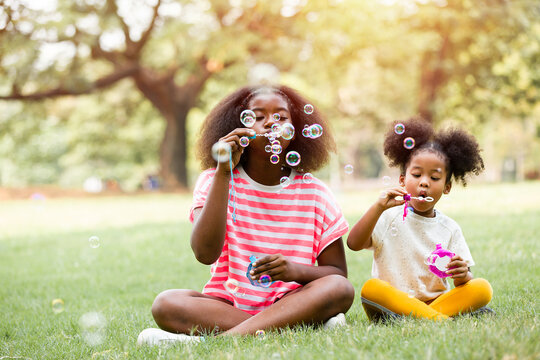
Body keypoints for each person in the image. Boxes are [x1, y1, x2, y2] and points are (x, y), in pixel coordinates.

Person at [138, 85, 354, 345]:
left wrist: (293, 270)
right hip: (227, 306)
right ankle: (295, 327)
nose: (270, 123)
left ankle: (213, 343)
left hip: (292, 301)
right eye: (258, 117)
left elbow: (337, 274)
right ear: (237, 128)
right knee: (166, 303)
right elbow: (205, 254)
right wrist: (223, 173)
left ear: (296, 130)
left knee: (339, 289)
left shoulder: (316, 192)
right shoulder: (214, 180)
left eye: (281, 117)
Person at [347, 118, 493, 322]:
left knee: (482, 288)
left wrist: (462, 275)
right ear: (402, 180)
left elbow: (464, 280)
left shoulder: (449, 228)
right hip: (393, 300)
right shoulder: (388, 216)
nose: (424, 182)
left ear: (447, 187)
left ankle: (423, 316)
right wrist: (378, 207)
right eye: (416, 175)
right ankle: (441, 319)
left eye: (434, 178)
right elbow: (353, 244)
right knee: (371, 288)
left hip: (435, 301)